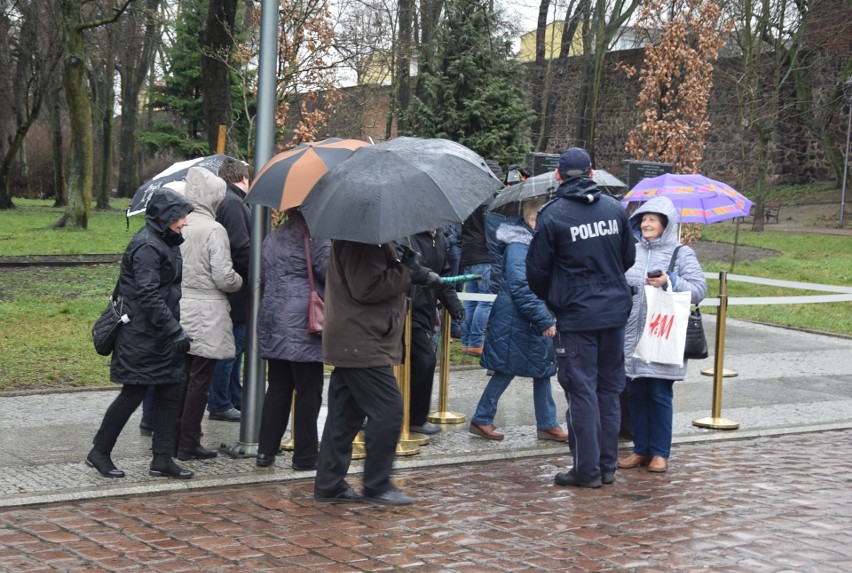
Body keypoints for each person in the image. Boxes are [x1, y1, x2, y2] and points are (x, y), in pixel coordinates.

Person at [526, 147, 636, 489]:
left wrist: (556, 297)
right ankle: (606, 467)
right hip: (614, 312)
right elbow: (627, 258)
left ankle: (587, 470)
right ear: (592, 173)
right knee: (608, 389)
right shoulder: (614, 209)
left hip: (576, 315)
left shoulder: (553, 214)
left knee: (583, 390)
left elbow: (536, 272)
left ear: (558, 176)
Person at [313, 240, 440, 506]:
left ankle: (329, 483)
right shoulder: (362, 240)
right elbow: (367, 287)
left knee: (344, 417)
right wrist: (406, 272)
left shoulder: (365, 237)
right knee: (389, 409)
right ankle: (377, 485)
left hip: (355, 337)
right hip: (362, 340)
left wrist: (402, 265)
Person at [86, 189, 195, 480]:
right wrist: (174, 330)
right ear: (166, 217)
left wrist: (172, 330)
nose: (185, 222)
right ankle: (99, 451)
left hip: (160, 334)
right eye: (180, 216)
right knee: (132, 393)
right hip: (142, 335)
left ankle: (162, 459)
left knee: (170, 392)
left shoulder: (165, 240)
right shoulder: (147, 245)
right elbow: (147, 295)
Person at [618, 196, 706, 473]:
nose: (646, 224)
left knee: (658, 394)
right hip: (632, 334)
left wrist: (671, 280)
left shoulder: (682, 253)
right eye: (643, 219)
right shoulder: (631, 250)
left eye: (652, 220)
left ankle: (660, 452)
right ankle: (640, 449)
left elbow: (699, 290)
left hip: (663, 336)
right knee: (635, 394)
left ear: (665, 225)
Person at [469, 199, 568, 442]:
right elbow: (520, 287)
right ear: (533, 220)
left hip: (526, 316)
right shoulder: (518, 246)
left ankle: (547, 423)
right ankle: (482, 419)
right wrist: (544, 319)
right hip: (517, 317)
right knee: (506, 368)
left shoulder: (533, 244)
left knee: (542, 369)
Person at [174, 168, 243, 461]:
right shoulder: (214, 230)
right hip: (207, 312)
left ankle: (173, 437)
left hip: (180, 308)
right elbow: (224, 277)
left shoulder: (181, 224)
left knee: (181, 378)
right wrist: (241, 281)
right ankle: (189, 442)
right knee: (200, 380)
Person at [255, 209, 330, 470]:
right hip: (303, 323)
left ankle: (265, 451)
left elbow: (265, 277)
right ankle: (305, 455)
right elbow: (329, 273)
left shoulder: (273, 237)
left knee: (278, 388)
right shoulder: (316, 236)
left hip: (272, 317)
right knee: (309, 391)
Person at [401, 229, 465, 435]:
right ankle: (414, 418)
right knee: (424, 360)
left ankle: (412, 416)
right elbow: (406, 270)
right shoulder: (407, 237)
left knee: (420, 363)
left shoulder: (440, 239)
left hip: (426, 312)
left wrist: (455, 306)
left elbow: (445, 278)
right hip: (406, 310)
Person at [207, 157, 252, 422]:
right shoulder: (234, 204)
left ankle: (233, 395)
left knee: (235, 346)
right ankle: (220, 401)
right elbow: (241, 247)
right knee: (231, 347)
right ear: (244, 178)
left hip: (233, 288)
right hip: (238, 288)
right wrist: (257, 271)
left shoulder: (225, 200)